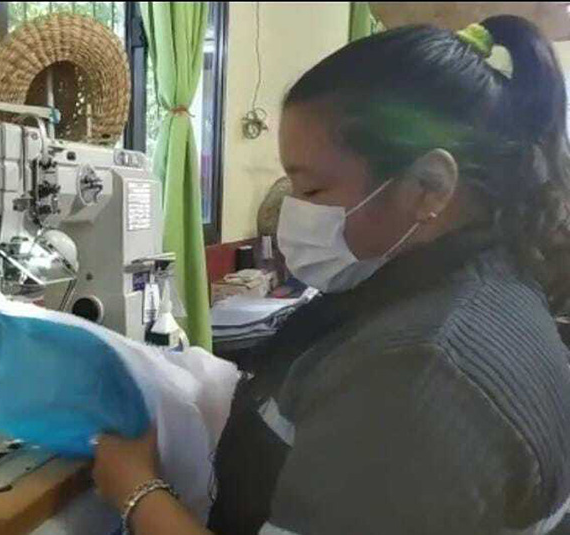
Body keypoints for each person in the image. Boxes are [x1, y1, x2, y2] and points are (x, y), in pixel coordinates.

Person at [92, 15, 570, 535]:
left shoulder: (419, 369)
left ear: (429, 187)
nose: (292, 214)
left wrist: (135, 487)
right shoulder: (477, 291)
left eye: (313, 190)